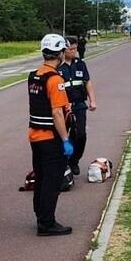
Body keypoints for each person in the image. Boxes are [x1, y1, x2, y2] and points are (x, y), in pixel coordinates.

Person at [27, 34, 73, 236]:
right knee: (51, 181)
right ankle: (46, 223)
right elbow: (57, 113)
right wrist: (65, 140)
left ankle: (40, 214)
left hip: (35, 135)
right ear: (61, 53)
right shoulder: (55, 80)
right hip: (50, 138)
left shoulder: (34, 75)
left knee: (41, 176)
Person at [59, 37, 97, 176]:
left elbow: (87, 83)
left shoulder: (80, 64)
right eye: (71, 49)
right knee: (62, 135)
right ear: (64, 49)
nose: (74, 51)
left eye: (75, 48)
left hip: (79, 105)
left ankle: (74, 160)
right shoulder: (58, 67)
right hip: (63, 107)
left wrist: (92, 100)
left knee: (80, 134)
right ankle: (63, 162)